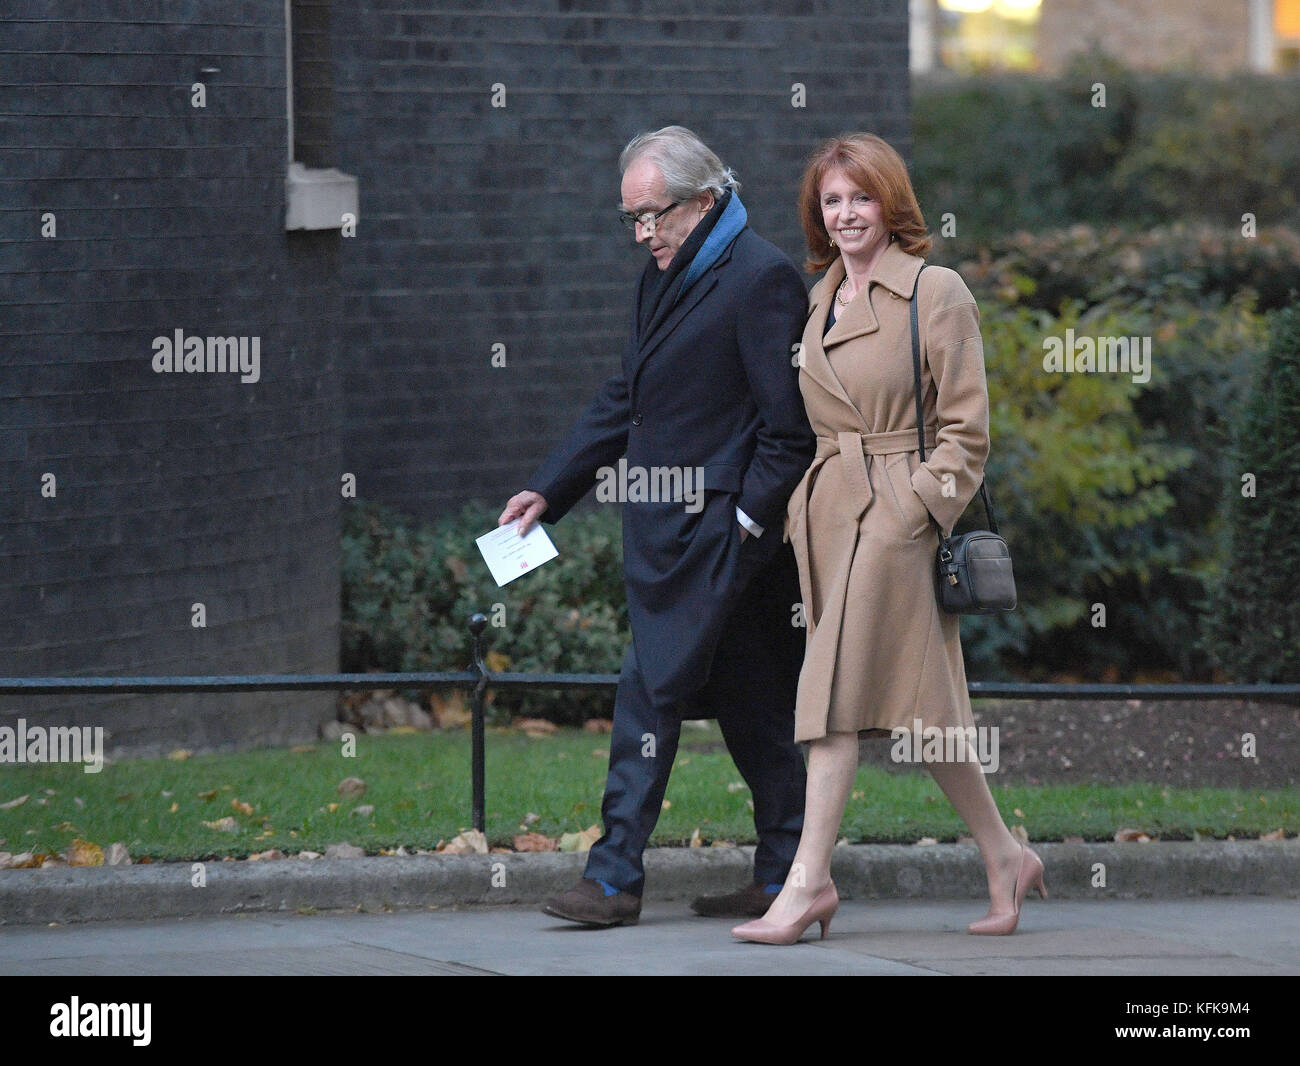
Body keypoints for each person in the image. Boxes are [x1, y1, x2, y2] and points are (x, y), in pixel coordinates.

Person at [731, 133, 1046, 946]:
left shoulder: (935, 291)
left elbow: (968, 433)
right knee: (928, 717)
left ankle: (808, 885)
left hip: (897, 517)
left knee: (830, 699)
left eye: (859, 198)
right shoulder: (817, 297)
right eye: (831, 201)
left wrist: (911, 513)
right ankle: (1006, 855)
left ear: (890, 204)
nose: (844, 215)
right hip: (830, 516)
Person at [499, 126, 815, 927]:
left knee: (647, 692)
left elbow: (790, 430)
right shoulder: (666, 273)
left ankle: (612, 880)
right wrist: (550, 489)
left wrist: (745, 523)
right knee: (754, 705)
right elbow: (629, 393)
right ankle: (784, 876)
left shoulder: (763, 278)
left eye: (656, 216)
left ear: (705, 200)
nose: (644, 235)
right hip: (678, 535)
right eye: (632, 218)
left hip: (719, 540)